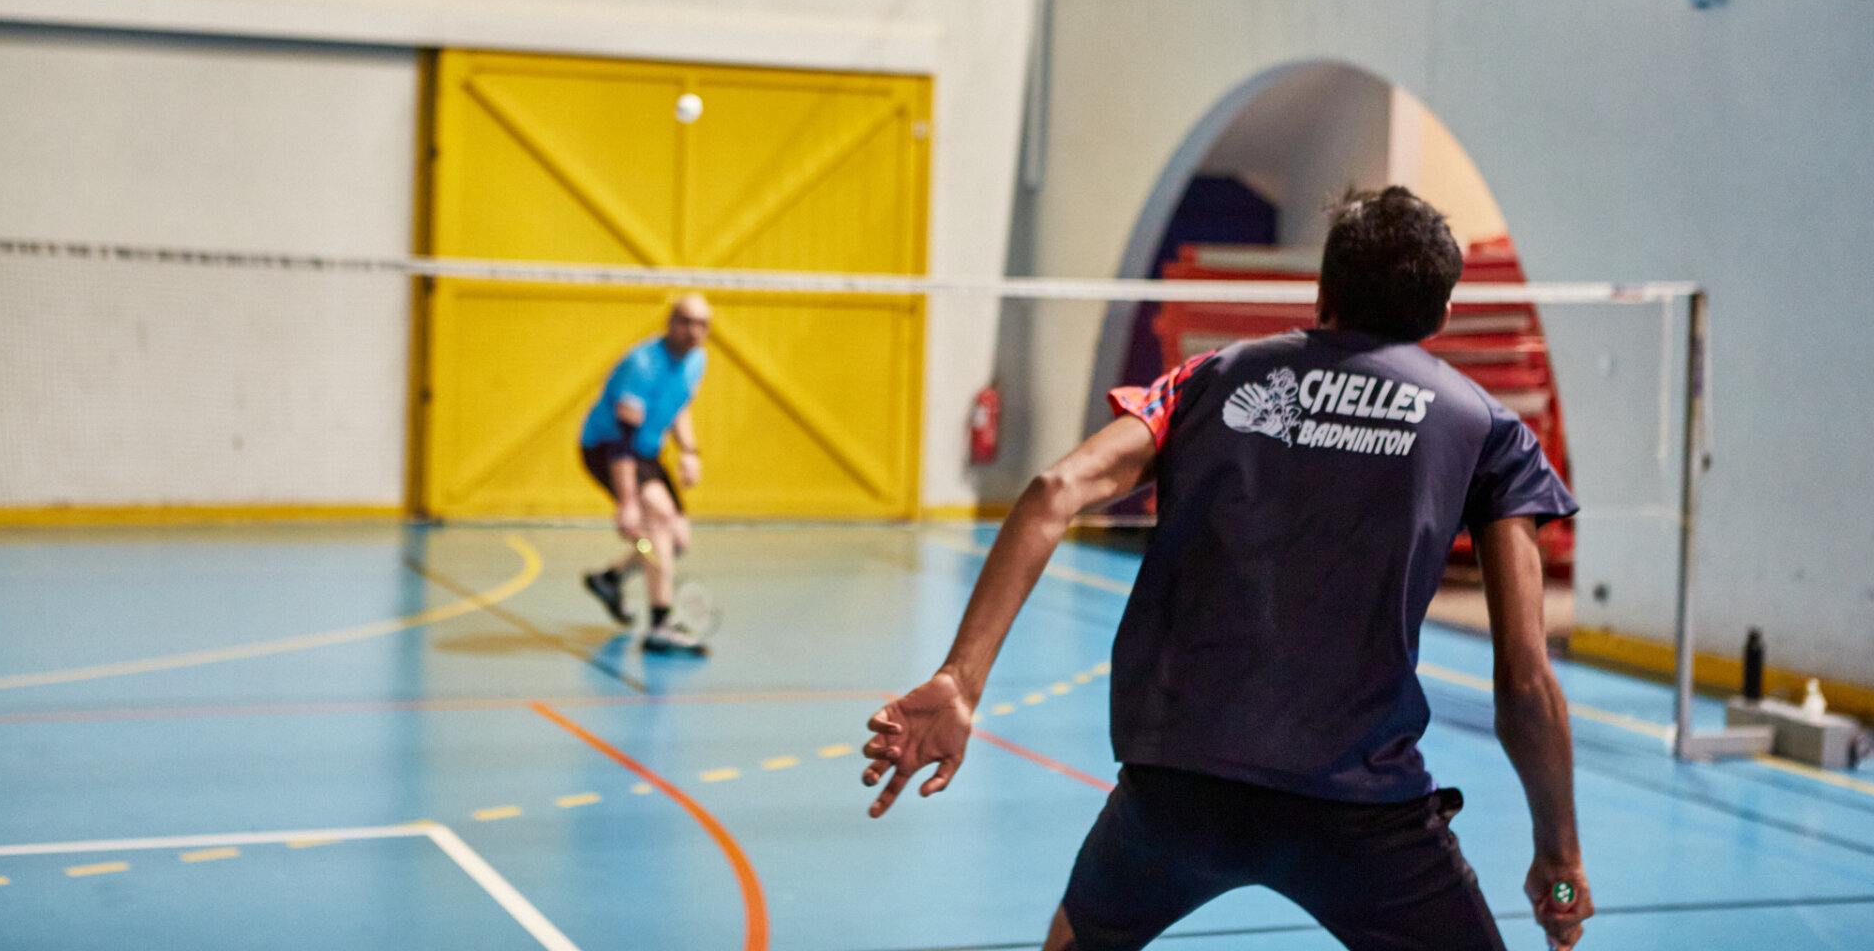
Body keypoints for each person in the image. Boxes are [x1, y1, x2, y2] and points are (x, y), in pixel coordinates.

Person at [861, 188, 1594, 951]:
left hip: (1179, 791)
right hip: (1359, 811)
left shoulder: (1215, 377)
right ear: (1441, 315)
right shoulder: (1488, 430)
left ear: (1323, 292)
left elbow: (1054, 491)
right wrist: (1562, 864)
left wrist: (961, 679)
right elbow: (1525, 682)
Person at [579, 293, 712, 651]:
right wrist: (627, 504)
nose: (693, 331)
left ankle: (610, 578)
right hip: (608, 448)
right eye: (686, 322)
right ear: (670, 322)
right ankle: (660, 623)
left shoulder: (697, 361)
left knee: (675, 541)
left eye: (701, 324)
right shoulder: (643, 365)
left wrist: (689, 451)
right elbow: (621, 441)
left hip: (647, 451)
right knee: (658, 521)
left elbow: (680, 405)